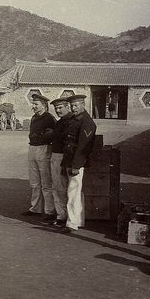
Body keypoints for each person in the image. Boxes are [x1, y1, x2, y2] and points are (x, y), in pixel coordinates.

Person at [56, 94, 97, 233]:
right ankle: (77, 221)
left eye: (76, 105)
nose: (73, 108)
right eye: (72, 106)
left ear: (83, 105)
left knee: (73, 192)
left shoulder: (87, 122)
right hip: (69, 160)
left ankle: (72, 223)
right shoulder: (75, 119)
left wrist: (76, 165)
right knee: (74, 192)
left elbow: (83, 147)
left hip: (76, 162)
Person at [22, 93, 56, 221]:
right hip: (33, 148)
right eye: (33, 104)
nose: (34, 106)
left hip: (43, 148)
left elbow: (54, 134)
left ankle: (49, 211)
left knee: (46, 181)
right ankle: (35, 208)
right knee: (34, 181)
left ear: (44, 105)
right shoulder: (34, 117)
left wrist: (43, 137)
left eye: (36, 104)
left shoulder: (49, 118)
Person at [49, 97, 75, 227]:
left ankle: (63, 217)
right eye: (56, 108)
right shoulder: (60, 122)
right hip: (56, 155)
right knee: (58, 186)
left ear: (67, 107)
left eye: (60, 108)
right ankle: (62, 215)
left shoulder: (70, 121)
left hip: (63, 157)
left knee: (61, 187)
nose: (58, 110)